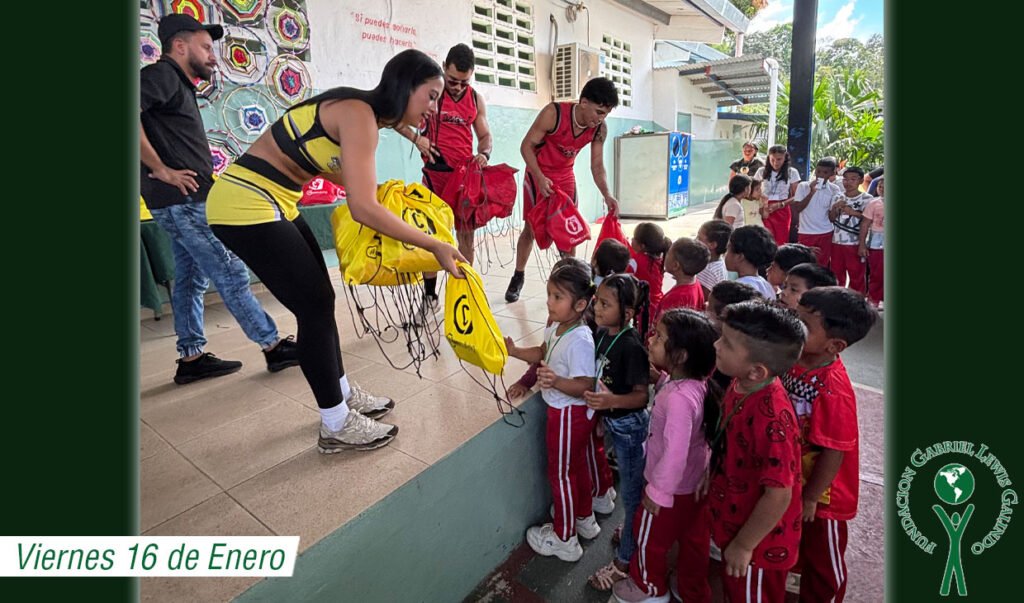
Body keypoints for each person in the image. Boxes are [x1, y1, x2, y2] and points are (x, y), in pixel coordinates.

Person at [206, 49, 468, 452]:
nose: (433, 108)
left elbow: (347, 180)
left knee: (321, 300)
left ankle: (341, 393)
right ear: (405, 86)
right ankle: (335, 423)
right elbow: (363, 209)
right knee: (312, 307)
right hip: (244, 202)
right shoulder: (359, 115)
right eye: (431, 96)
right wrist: (434, 244)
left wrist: (387, 193)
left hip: (277, 199)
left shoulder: (359, 112)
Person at [140, 14, 298, 385]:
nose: (213, 56)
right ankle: (273, 346)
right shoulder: (162, 74)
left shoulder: (174, 83)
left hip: (177, 202)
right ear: (180, 46)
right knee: (229, 270)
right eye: (206, 48)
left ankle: (191, 356)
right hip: (183, 200)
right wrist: (161, 169)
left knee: (190, 278)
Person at [610, 309, 719, 603]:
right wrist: (661, 380)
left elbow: (674, 452)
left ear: (680, 356)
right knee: (693, 538)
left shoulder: (677, 399)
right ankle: (692, 589)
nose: (650, 339)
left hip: (668, 489)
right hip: (692, 484)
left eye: (658, 337)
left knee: (648, 536)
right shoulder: (696, 384)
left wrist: (658, 492)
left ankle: (648, 587)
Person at [706, 301, 807, 603]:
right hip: (736, 518)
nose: (716, 345)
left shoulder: (773, 421)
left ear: (757, 370)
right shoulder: (742, 384)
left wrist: (745, 545)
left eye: (727, 343)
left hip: (760, 545)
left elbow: (779, 495)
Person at [782, 287, 877, 602]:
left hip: (825, 497)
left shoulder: (833, 389)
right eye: (796, 317)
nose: (795, 327)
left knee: (824, 560)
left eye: (804, 325)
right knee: (796, 545)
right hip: (797, 481)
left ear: (834, 345)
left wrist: (811, 497)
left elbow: (835, 450)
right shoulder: (796, 359)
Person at [505, 262, 598, 562]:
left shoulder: (580, 340)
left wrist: (556, 381)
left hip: (569, 415)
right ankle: (583, 517)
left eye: (557, 297)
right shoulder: (557, 326)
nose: (549, 302)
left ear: (580, 305)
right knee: (574, 469)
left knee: (561, 476)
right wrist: (515, 352)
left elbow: (585, 385)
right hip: (567, 414)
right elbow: (543, 352)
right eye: (549, 294)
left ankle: (565, 539)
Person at [505, 77, 620, 302]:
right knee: (531, 229)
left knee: (568, 235)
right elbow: (526, 146)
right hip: (537, 173)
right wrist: (539, 178)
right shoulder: (554, 113)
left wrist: (607, 195)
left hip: (565, 177)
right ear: (583, 103)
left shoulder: (599, 129)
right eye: (598, 112)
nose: (600, 118)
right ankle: (518, 275)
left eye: (605, 114)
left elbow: (597, 166)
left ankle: (570, 284)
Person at [398, 43, 493, 307]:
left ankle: (464, 292)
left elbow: (485, 135)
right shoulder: (430, 93)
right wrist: (417, 139)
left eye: (464, 82)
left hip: (463, 179)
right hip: (434, 175)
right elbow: (395, 118)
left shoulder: (475, 99)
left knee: (466, 237)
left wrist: (485, 154)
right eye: (453, 80)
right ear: (443, 69)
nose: (458, 87)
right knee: (432, 236)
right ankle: (429, 295)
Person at [583, 275, 652, 592]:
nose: (597, 307)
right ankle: (632, 528)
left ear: (627, 313)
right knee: (629, 492)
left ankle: (625, 561)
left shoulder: (631, 345)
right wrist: (602, 413)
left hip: (629, 428)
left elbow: (640, 397)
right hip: (611, 421)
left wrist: (610, 403)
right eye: (597, 300)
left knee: (632, 496)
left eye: (605, 304)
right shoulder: (602, 332)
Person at [828, 167, 872, 293]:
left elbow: (869, 220)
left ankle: (857, 299)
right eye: (845, 179)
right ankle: (837, 298)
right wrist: (835, 208)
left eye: (853, 179)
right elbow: (831, 218)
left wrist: (853, 212)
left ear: (861, 181)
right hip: (836, 242)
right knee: (836, 274)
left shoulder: (867, 199)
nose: (848, 182)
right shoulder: (837, 196)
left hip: (855, 242)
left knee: (857, 275)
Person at [791, 157, 842, 266]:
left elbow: (832, 217)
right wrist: (811, 192)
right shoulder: (803, 186)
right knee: (804, 264)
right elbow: (798, 208)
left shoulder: (834, 189)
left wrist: (836, 207)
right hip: (806, 232)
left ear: (832, 173)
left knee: (822, 264)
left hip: (826, 232)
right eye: (818, 171)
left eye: (825, 172)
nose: (821, 175)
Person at [655, 238, 709, 322]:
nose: (665, 255)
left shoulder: (675, 298)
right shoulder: (695, 283)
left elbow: (662, 325)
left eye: (668, 253)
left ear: (675, 265)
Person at [756, 145, 801, 246]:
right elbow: (753, 191)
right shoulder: (761, 171)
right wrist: (762, 202)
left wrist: (781, 204)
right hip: (764, 209)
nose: (775, 162)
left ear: (785, 158)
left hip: (782, 210)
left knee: (781, 241)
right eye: (772, 159)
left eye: (779, 159)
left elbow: (797, 196)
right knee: (765, 240)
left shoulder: (792, 172)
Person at [626, 222, 672, 313]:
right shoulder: (660, 260)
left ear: (642, 246)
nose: (631, 239)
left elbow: (625, 279)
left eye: (634, 238)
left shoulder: (635, 261)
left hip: (643, 306)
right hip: (658, 304)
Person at [725, 225, 777, 299]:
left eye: (728, 249)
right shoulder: (767, 286)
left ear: (740, 257)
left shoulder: (737, 290)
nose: (725, 254)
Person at [859, 177, 885, 308]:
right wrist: (862, 244)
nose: (883, 189)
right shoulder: (873, 203)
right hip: (877, 244)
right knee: (877, 274)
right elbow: (865, 224)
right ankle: (873, 299)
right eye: (880, 187)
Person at [695, 219, 732, 299]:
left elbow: (701, 299)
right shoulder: (719, 261)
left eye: (699, 238)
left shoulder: (708, 271)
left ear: (712, 245)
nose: (695, 240)